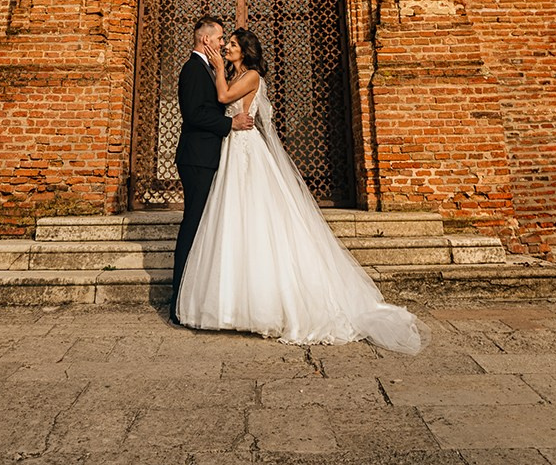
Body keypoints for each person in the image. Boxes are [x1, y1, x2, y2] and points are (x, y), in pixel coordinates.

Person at [173, 25, 424, 354]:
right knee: (233, 220)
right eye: (224, 42)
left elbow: (223, 99)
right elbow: (219, 104)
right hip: (231, 149)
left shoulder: (249, 76)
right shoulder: (226, 74)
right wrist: (222, 72)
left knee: (254, 215)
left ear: (245, 51)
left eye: (231, 44)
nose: (226, 47)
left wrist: (219, 68)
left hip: (245, 150)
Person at [168, 15, 252, 323]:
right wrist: (230, 123)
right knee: (192, 225)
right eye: (219, 39)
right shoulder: (192, 69)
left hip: (207, 156)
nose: (222, 44)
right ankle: (178, 298)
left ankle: (195, 293)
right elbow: (193, 114)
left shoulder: (206, 68)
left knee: (202, 226)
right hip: (196, 158)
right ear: (206, 40)